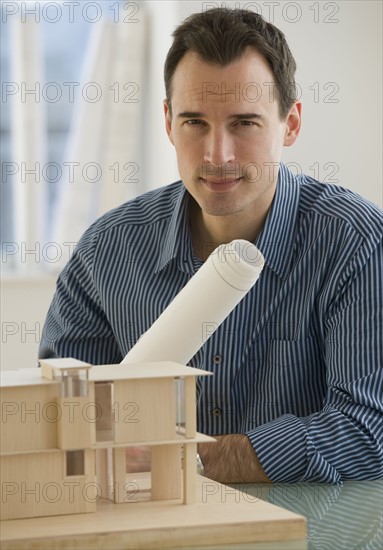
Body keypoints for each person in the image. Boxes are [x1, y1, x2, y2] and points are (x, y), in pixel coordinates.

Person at [39, 7, 383, 484]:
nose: (217, 155)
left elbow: (369, 430)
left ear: (291, 124)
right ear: (167, 121)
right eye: (195, 122)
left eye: (244, 123)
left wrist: (190, 460)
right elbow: (61, 417)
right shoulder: (107, 251)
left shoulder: (356, 243)